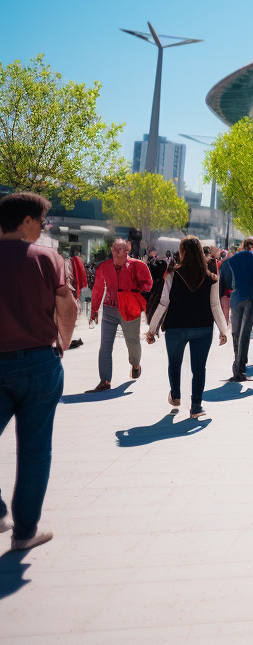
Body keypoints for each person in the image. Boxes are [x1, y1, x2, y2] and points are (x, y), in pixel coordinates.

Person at [0, 192, 76, 551]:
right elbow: (68, 305)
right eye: (41, 222)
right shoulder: (46, 257)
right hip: (40, 362)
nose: (42, 229)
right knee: (34, 449)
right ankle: (24, 532)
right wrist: (63, 340)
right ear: (27, 221)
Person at [146, 236, 230, 419]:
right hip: (203, 328)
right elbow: (215, 306)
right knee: (199, 368)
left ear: (182, 252)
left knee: (174, 364)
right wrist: (223, 331)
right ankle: (196, 406)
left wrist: (152, 329)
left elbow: (163, 304)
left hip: (176, 328)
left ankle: (175, 396)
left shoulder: (172, 275)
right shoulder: (212, 278)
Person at [88, 237, 153, 391]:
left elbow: (148, 284)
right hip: (109, 309)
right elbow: (98, 289)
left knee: (132, 342)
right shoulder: (104, 267)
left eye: (120, 249)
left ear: (127, 251)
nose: (117, 252)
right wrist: (94, 310)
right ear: (111, 249)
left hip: (129, 308)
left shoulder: (138, 265)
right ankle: (105, 381)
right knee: (105, 346)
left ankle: (135, 365)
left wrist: (136, 291)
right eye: (114, 248)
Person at [219, 236, 253, 382]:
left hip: (236, 298)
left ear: (242, 245)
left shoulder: (230, 261)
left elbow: (225, 283)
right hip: (251, 299)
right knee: (245, 333)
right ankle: (240, 367)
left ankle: (237, 363)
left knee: (236, 332)